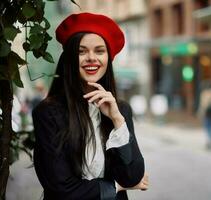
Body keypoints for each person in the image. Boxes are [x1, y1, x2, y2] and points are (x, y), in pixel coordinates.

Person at [32, 12, 148, 200]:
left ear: (107, 59)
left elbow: (133, 175)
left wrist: (117, 120)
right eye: (81, 51)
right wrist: (116, 186)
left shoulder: (120, 110)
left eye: (99, 51)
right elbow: (61, 188)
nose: (91, 58)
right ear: (69, 58)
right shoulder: (48, 113)